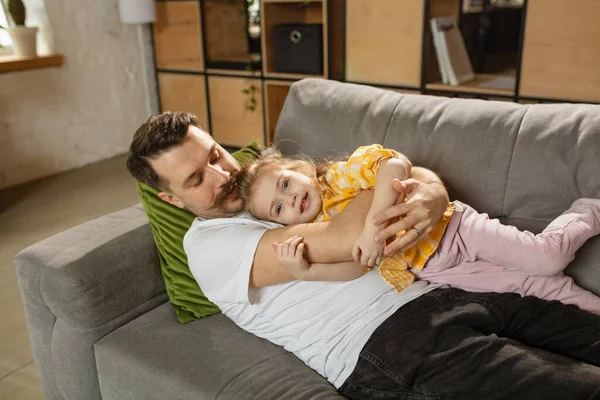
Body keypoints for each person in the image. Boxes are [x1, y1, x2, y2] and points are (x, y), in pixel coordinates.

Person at [126, 111, 600, 400]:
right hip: (385, 345)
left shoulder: (263, 183)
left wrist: (430, 193)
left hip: (441, 285)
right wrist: (400, 187)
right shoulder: (208, 249)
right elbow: (346, 234)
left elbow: (371, 174)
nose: (220, 173)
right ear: (171, 199)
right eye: (195, 179)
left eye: (214, 154)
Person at [236, 144, 600, 315]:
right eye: (279, 208)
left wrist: (370, 228)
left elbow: (394, 165)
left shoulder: (340, 176)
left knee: (546, 257)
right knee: (533, 288)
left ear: (299, 169)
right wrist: (308, 271)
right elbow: (357, 266)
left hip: (452, 228)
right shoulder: (321, 229)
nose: (292, 199)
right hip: (436, 269)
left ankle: (589, 211)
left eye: (286, 184)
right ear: (281, 223)